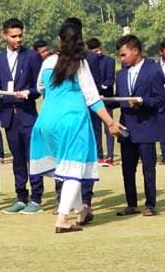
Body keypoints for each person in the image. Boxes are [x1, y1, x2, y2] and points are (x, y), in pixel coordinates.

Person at [29, 17, 124, 233]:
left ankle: (81, 211)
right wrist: (110, 122)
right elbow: (92, 97)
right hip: (72, 120)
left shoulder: (48, 62)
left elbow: (40, 88)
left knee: (68, 167)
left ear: (59, 40)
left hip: (46, 120)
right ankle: (62, 219)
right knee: (74, 168)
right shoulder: (80, 64)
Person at [0, 17, 44, 213]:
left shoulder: (32, 57)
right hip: (8, 117)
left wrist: (28, 93)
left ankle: (36, 199)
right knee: (17, 159)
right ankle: (21, 196)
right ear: (4, 36)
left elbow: (40, 87)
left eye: (20, 36)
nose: (18, 39)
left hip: (27, 115)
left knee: (32, 158)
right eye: (13, 36)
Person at [112, 35, 165, 216]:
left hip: (146, 127)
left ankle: (150, 204)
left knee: (148, 168)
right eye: (120, 56)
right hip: (126, 128)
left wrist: (142, 102)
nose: (122, 59)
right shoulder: (120, 75)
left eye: (123, 54)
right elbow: (119, 99)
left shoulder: (153, 71)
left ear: (135, 51)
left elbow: (159, 100)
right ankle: (131, 204)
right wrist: (103, 101)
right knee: (127, 168)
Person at [86, 37, 116, 164]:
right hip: (93, 100)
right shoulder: (87, 62)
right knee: (95, 128)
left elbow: (110, 79)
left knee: (109, 127)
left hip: (106, 99)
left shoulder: (109, 61)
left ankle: (110, 155)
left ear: (101, 49)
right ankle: (99, 155)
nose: (96, 54)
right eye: (93, 52)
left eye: (98, 51)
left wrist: (102, 90)